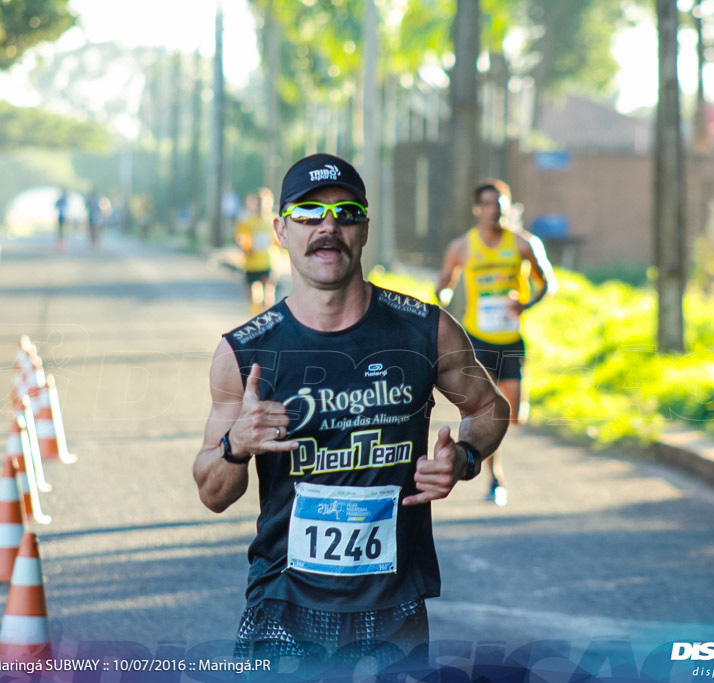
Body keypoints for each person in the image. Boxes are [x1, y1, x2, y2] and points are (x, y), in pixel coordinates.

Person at [193, 154, 510, 673]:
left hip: (392, 607)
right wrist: (236, 445)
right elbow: (211, 493)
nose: (328, 227)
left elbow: (489, 407)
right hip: (283, 603)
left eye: (346, 213)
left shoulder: (425, 332)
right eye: (309, 214)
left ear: (365, 229)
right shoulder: (244, 353)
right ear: (280, 230)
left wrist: (467, 456)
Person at [435, 178, 556, 506]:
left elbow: (547, 281)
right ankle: (495, 478)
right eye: (487, 205)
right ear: (478, 209)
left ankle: (496, 469)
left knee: (515, 415)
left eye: (499, 206)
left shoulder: (523, 244)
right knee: (491, 413)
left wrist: (526, 303)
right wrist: (441, 299)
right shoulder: (463, 246)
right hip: (478, 339)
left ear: (507, 208)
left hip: (511, 339)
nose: (494, 212)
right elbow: (445, 281)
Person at [233, 187, 278, 313]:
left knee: (268, 296)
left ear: (270, 203)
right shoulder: (247, 222)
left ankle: (267, 323)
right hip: (251, 265)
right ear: (255, 204)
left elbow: (281, 241)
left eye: (265, 202)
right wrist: (243, 245)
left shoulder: (274, 221)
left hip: (268, 263)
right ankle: (256, 319)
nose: (262, 205)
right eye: (260, 202)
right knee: (253, 298)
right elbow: (240, 239)